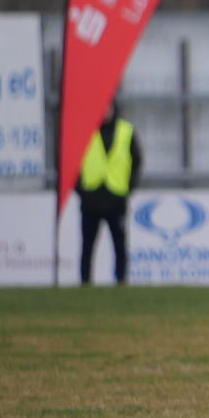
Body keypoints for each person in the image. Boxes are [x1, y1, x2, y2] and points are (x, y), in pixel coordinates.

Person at [76, 99, 142, 285]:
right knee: (87, 247)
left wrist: (128, 187)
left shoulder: (125, 131)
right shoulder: (84, 131)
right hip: (91, 199)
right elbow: (71, 162)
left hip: (116, 199)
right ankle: (85, 284)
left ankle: (121, 282)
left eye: (108, 107)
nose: (105, 112)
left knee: (120, 246)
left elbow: (137, 161)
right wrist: (80, 189)